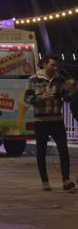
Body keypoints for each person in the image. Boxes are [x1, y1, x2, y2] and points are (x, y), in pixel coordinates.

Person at [24, 54, 76, 191]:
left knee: (63, 151)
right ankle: (45, 182)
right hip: (40, 121)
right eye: (52, 65)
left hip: (57, 120)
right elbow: (27, 99)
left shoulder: (60, 80)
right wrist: (41, 97)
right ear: (44, 64)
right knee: (41, 152)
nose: (55, 67)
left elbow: (66, 99)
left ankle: (66, 180)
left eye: (56, 65)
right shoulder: (33, 79)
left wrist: (71, 92)